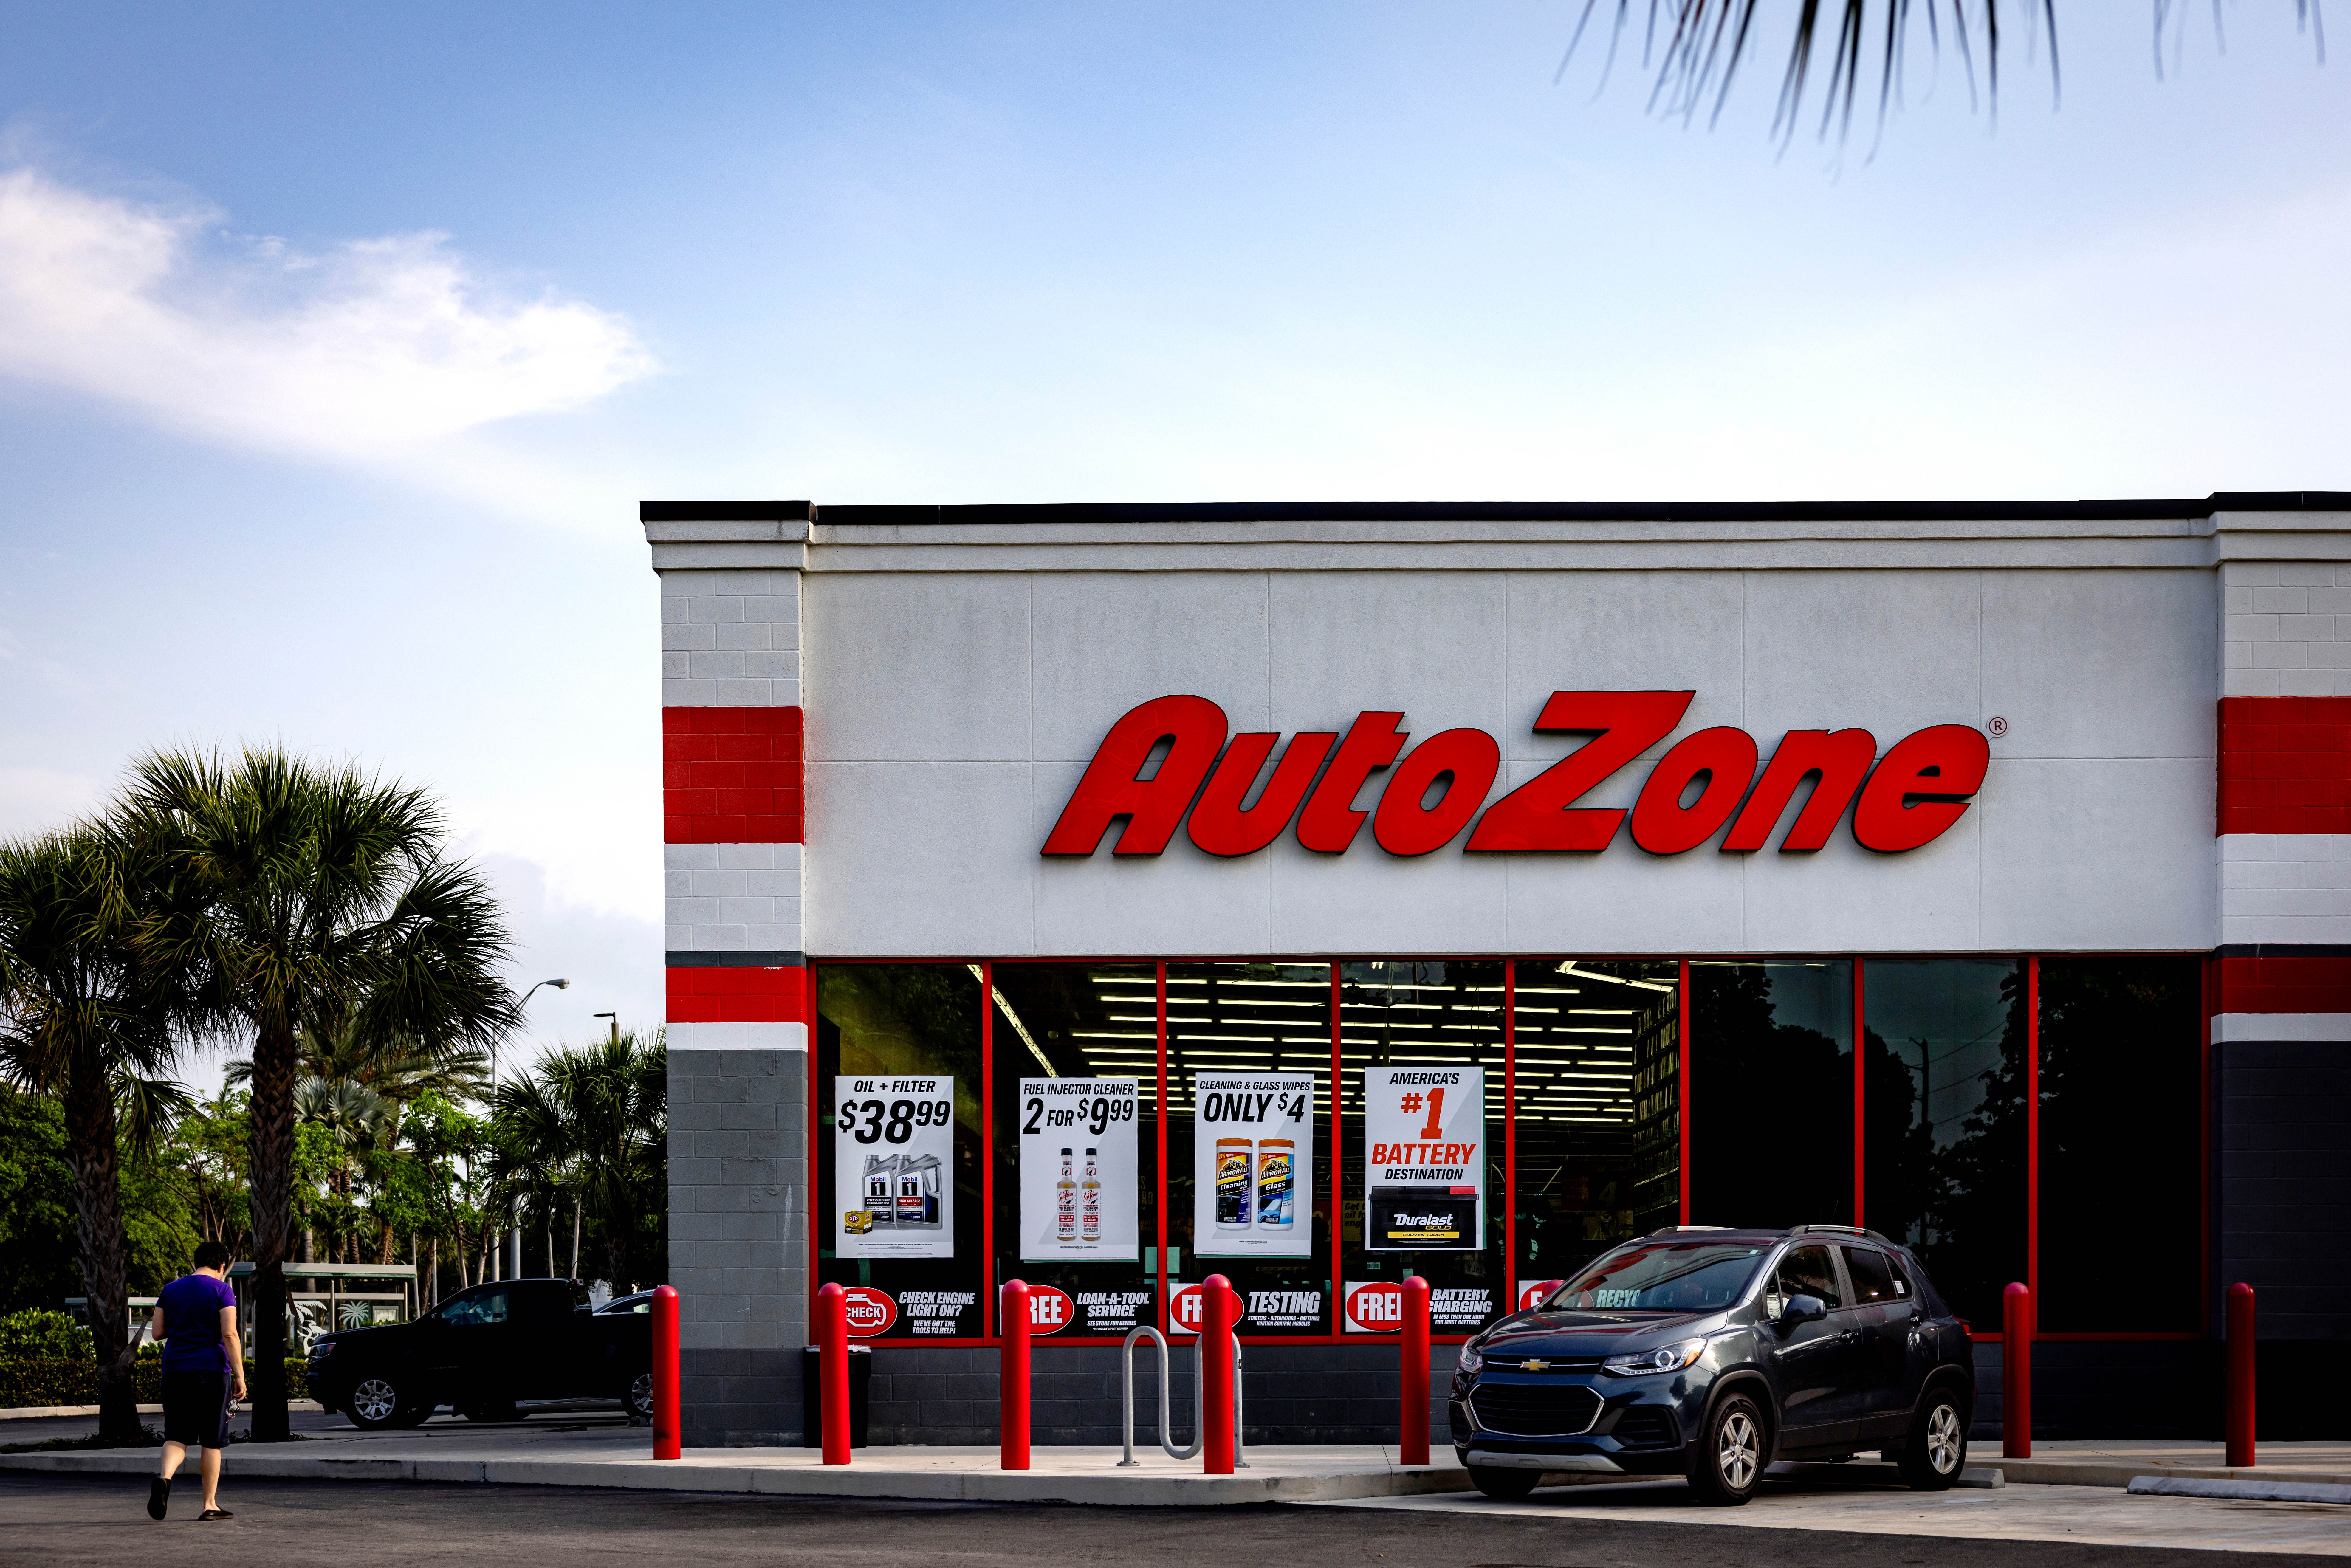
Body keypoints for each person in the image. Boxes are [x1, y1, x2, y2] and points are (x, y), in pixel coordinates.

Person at [146, 1240, 244, 1521]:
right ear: (222, 1265)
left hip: (175, 1369)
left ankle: (165, 1479)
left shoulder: (170, 1289)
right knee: (211, 1440)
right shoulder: (222, 1289)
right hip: (211, 1371)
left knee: (177, 1434)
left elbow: (157, 1332)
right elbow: (229, 1335)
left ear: (196, 1261)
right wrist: (240, 1375)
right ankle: (209, 1505)